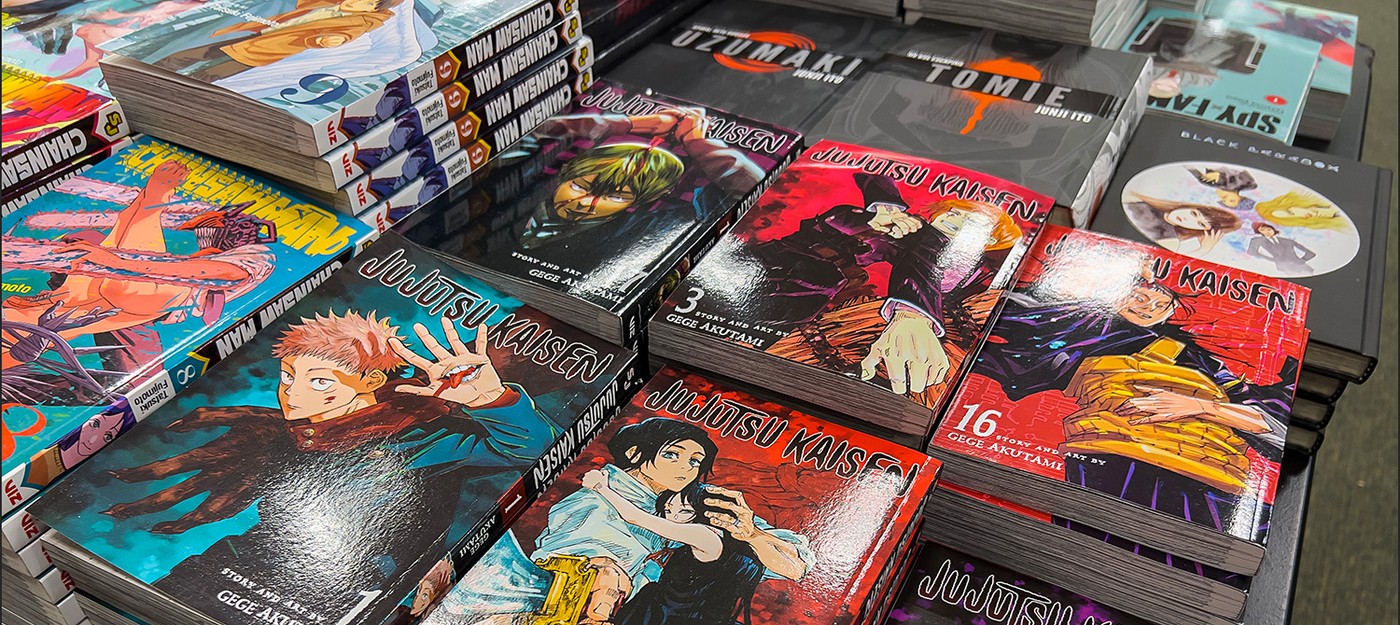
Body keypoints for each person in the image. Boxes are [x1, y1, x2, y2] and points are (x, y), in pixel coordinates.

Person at [100, 311, 559, 621]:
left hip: (345, 593)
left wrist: (492, 399)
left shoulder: (419, 436)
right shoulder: (294, 433)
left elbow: (532, 449)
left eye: (319, 381)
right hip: (232, 565)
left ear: (371, 381)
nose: (292, 393)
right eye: (288, 377)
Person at [974, 278, 1293, 542]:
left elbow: (1267, 423)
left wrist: (1199, 406)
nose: (1147, 308)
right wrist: (1001, 303)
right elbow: (1018, 343)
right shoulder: (1078, 332)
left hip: (1219, 471)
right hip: (1122, 459)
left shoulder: (1201, 360)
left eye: (1160, 305)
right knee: (1109, 543)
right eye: (1139, 297)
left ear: (1171, 311)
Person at [442, 418, 812, 624]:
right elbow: (588, 555)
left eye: (695, 461)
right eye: (673, 455)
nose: (686, 467)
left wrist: (752, 534)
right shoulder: (594, 501)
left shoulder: (693, 504)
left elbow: (796, 565)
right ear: (635, 454)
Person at [748, 174, 1021, 397]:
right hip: (763, 267)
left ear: (989, 241)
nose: (955, 219)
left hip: (798, 301)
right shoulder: (908, 228)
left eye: (971, 222)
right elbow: (870, 185)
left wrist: (914, 316)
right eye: (955, 212)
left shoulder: (968, 266)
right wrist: (884, 210)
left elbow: (924, 262)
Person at [584, 475, 764, 625]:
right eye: (668, 510)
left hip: (666, 617)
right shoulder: (725, 543)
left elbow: (635, 517)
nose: (673, 517)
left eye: (685, 511)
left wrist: (601, 487)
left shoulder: (705, 536)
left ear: (705, 512)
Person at [150, 0, 404, 81]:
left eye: (365, 2)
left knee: (213, 73)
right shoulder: (332, 3)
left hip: (270, 47)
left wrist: (330, 40)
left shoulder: (361, 22)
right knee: (201, 52)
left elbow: (347, 34)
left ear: (373, 8)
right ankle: (157, 71)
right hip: (262, 31)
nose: (354, 2)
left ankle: (177, 88)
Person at [1124, 193, 1241, 255]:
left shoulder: (1170, 239)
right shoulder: (1143, 200)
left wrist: (1203, 250)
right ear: (1190, 206)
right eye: (1194, 213)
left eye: (1200, 224)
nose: (1187, 219)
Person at [1188, 166, 1258, 212]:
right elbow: (1238, 168)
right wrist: (1220, 176)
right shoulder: (1247, 183)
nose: (1225, 198)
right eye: (1232, 200)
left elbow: (1190, 167)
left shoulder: (1208, 183)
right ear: (1241, 197)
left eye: (1224, 201)